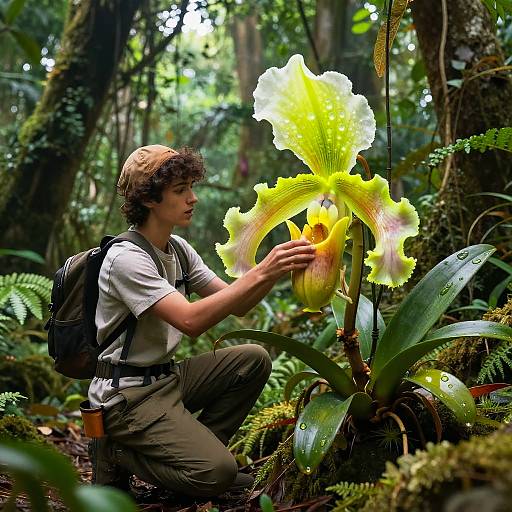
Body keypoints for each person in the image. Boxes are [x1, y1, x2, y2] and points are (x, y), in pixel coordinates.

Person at [88, 144, 316, 498]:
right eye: (180, 191)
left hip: (166, 379)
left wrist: (277, 270)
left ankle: (197, 455)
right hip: (125, 397)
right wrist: (264, 269)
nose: (192, 198)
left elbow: (238, 303)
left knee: (252, 359)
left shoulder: (178, 249)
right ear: (149, 200)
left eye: (191, 186)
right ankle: (118, 452)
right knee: (220, 474)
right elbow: (191, 321)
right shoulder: (125, 259)